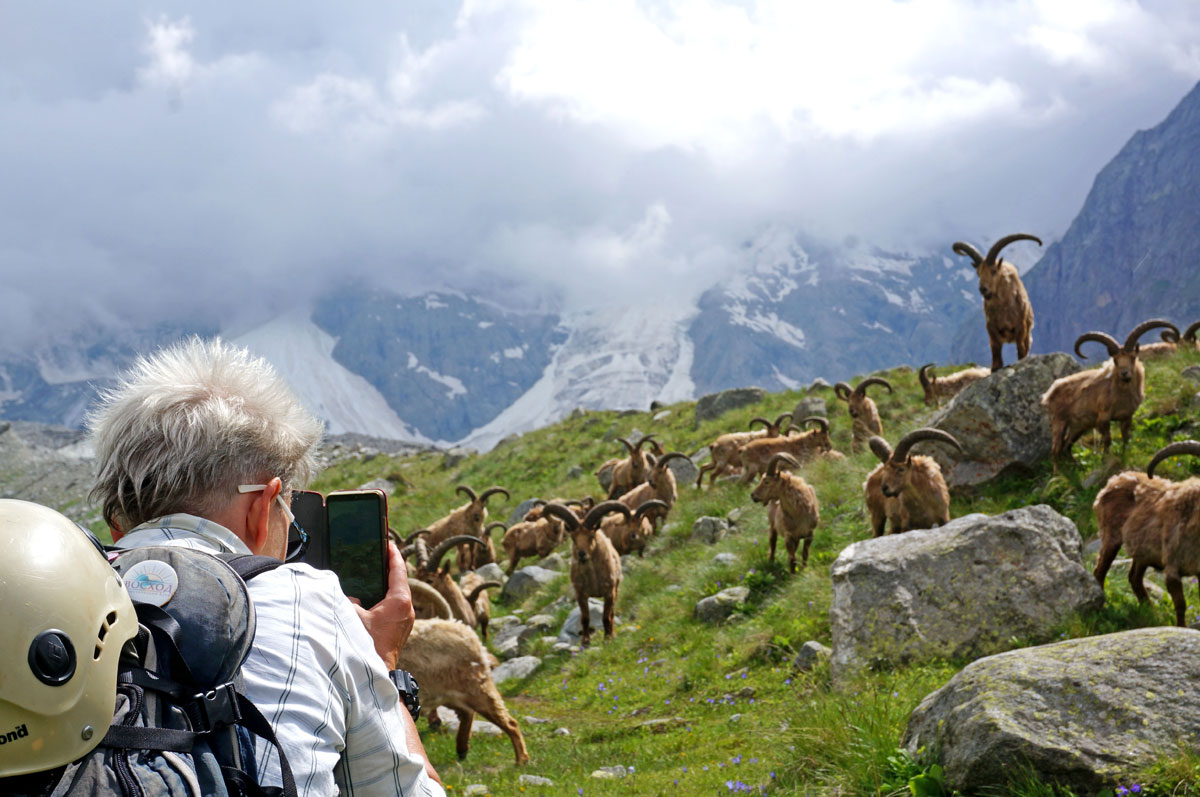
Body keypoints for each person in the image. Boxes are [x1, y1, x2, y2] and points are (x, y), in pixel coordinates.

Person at [87, 337, 444, 797]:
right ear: (262, 507)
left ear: (118, 527)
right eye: (288, 517)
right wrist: (381, 663)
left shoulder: (40, 599)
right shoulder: (309, 597)